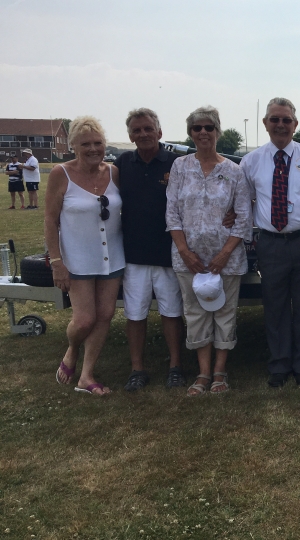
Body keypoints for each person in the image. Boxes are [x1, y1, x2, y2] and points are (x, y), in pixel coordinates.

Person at [241, 97, 300, 388]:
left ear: (295, 124)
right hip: (271, 243)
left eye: (286, 120)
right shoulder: (250, 161)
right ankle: (279, 365)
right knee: (275, 306)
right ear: (265, 123)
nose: (281, 125)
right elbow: (245, 201)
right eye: (274, 119)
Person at [166, 106, 252, 396]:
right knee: (195, 313)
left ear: (218, 132)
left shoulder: (234, 171)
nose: (203, 132)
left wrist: (225, 253)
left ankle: (220, 373)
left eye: (209, 127)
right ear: (190, 133)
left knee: (224, 314)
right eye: (197, 128)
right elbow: (172, 213)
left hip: (225, 258)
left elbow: (243, 217)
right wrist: (184, 250)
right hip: (188, 259)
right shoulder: (180, 167)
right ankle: (202, 373)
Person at [45, 117, 124, 396]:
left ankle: (86, 375)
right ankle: (72, 349)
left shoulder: (114, 172)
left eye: (98, 143)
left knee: (105, 315)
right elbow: (50, 220)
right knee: (84, 320)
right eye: (85, 144)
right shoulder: (60, 174)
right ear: (73, 146)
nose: (93, 149)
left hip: (112, 257)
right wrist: (56, 262)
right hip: (77, 259)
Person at [114, 108, 187, 391]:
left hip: (169, 251)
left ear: (159, 132)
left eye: (148, 129)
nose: (143, 134)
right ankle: (137, 369)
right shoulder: (121, 163)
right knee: (135, 314)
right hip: (133, 254)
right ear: (130, 135)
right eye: (137, 130)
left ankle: (176, 367)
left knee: (171, 312)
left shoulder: (177, 163)